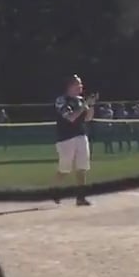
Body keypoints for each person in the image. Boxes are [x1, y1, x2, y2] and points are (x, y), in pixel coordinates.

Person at [52, 75, 95, 206]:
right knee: (65, 168)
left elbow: (88, 118)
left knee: (82, 167)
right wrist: (84, 106)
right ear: (70, 86)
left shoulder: (80, 100)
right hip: (66, 138)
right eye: (78, 84)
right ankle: (54, 189)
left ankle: (81, 197)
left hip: (81, 135)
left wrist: (91, 106)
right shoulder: (61, 100)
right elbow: (71, 117)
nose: (81, 86)